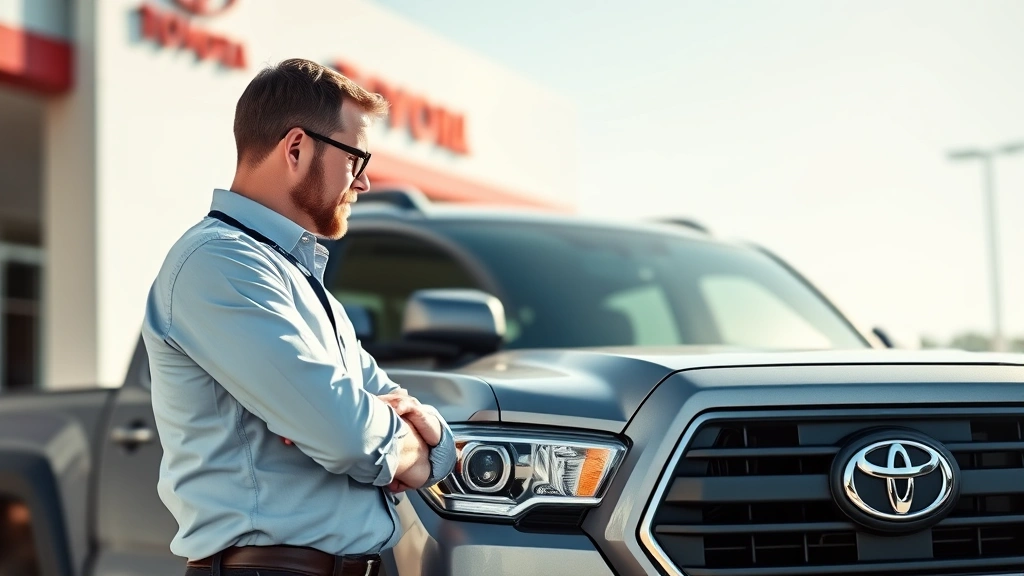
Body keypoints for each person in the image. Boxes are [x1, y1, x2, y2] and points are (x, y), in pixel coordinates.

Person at [142, 58, 457, 576]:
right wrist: (391, 442)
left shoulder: (300, 281)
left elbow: (384, 413)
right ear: (296, 148)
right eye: (356, 158)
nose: (364, 182)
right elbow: (347, 435)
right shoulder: (219, 262)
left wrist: (433, 445)